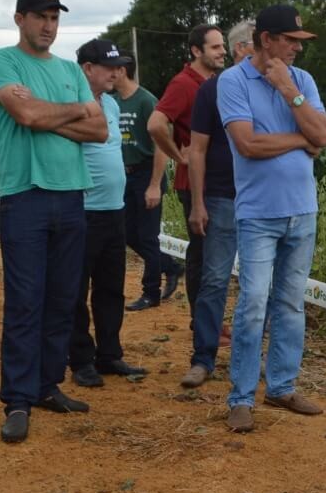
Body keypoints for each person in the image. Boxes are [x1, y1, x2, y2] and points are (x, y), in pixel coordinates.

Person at [0, 0, 107, 444]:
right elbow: (26, 117)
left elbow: (99, 129)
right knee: (25, 300)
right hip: (26, 196)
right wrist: (76, 110)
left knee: (63, 297)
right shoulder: (3, 61)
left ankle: (47, 385)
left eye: (54, 18)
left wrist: (46, 113)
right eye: (39, 16)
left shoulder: (70, 68)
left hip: (71, 194)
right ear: (20, 19)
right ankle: (17, 398)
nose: (48, 26)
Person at [219, 5, 326, 432]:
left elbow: (323, 136)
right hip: (258, 214)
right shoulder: (232, 81)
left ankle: (281, 386)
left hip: (303, 211)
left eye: (300, 41)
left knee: (290, 304)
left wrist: (288, 89)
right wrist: (301, 139)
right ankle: (241, 397)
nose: (297, 48)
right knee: (252, 305)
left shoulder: (302, 81)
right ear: (266, 39)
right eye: (290, 40)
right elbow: (247, 144)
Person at [68, 39, 149, 388]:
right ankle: (80, 359)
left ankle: (109, 354)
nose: (117, 72)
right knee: (76, 290)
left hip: (115, 209)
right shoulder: (71, 103)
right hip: (83, 210)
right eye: (110, 67)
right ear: (88, 68)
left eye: (120, 67)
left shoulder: (112, 104)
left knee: (111, 287)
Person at [180, 19, 255, 388]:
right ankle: (203, 358)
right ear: (244, 48)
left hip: (261, 199)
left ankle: (248, 359)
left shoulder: (274, 87)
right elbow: (197, 150)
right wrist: (198, 203)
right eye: (260, 44)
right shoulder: (211, 90)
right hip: (222, 196)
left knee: (258, 285)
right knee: (214, 279)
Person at [145, 24, 224, 310]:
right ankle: (201, 321)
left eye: (223, 46)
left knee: (214, 255)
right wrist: (179, 156)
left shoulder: (214, 81)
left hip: (216, 181)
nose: (223, 52)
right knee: (202, 255)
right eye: (215, 47)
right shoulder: (183, 84)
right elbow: (155, 124)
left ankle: (208, 320)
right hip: (194, 183)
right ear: (196, 51)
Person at [113, 56, 174, 311]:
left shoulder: (146, 101)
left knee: (148, 236)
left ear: (122, 70)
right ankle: (170, 266)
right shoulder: (113, 101)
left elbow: (161, 145)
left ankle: (151, 292)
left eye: (111, 69)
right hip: (124, 175)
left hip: (146, 172)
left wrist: (154, 184)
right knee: (127, 233)